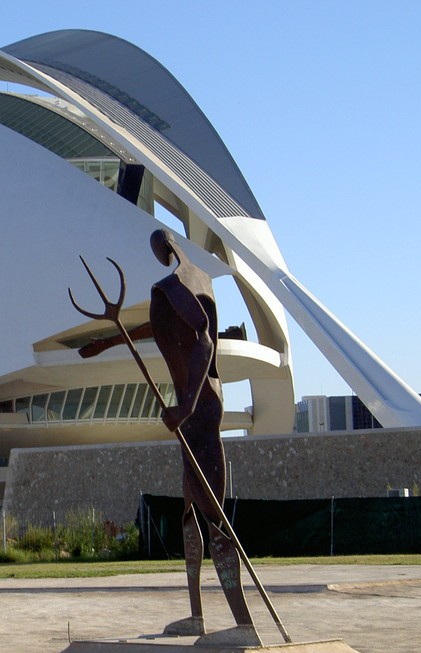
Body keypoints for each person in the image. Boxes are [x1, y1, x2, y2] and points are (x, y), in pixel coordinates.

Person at [78, 229, 259, 646]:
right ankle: (196, 616)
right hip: (197, 410)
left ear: (165, 249)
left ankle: (244, 624)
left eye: (155, 249)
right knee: (190, 514)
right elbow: (166, 325)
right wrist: (109, 341)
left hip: (198, 410)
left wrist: (187, 405)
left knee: (213, 516)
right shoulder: (199, 280)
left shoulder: (174, 284)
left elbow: (204, 337)